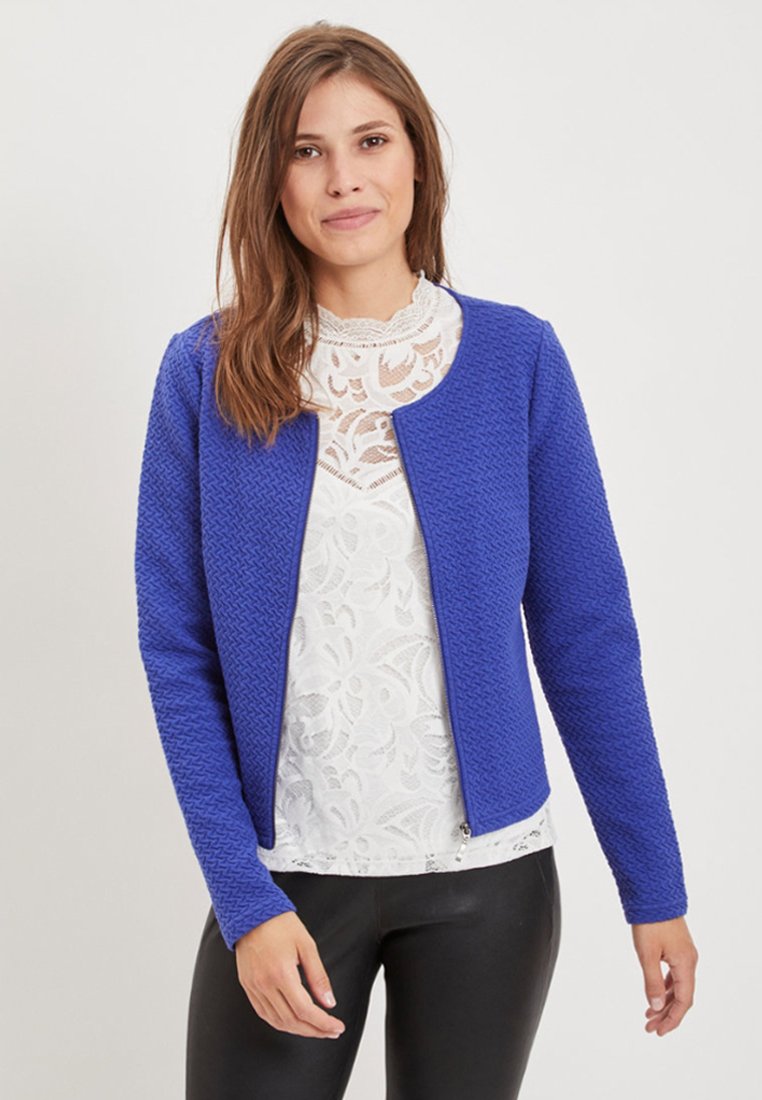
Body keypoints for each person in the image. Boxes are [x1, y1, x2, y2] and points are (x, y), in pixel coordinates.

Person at [134, 20, 698, 1100]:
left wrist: (653, 884)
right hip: (287, 882)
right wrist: (245, 901)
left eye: (371, 141)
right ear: (272, 182)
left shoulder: (517, 358)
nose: (343, 178)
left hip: (488, 885)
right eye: (307, 151)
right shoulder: (204, 373)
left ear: (417, 158)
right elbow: (177, 650)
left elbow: (587, 634)